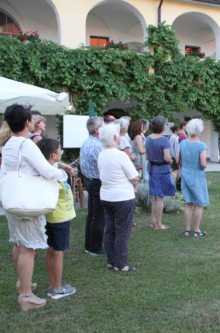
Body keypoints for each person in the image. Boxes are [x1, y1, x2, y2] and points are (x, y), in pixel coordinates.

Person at [1, 104, 69, 311]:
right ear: (27, 122)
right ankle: (26, 295)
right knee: (27, 249)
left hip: (12, 199)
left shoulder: (10, 143)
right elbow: (46, 170)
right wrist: (63, 174)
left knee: (19, 243)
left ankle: (24, 283)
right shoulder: (26, 144)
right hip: (27, 202)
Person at [37, 138, 77, 300]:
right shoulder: (56, 175)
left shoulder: (45, 168)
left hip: (50, 217)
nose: (62, 152)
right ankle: (57, 288)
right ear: (54, 155)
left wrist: (63, 165)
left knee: (51, 250)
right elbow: (59, 174)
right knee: (59, 253)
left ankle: (53, 284)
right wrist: (65, 171)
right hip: (59, 218)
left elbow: (53, 165)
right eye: (60, 150)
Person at [98, 123, 139, 272]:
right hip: (122, 197)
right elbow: (134, 176)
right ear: (116, 137)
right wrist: (135, 180)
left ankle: (111, 260)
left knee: (110, 229)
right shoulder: (120, 155)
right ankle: (121, 264)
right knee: (122, 230)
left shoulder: (102, 154)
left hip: (106, 196)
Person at [178, 119, 209, 237]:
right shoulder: (201, 145)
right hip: (197, 176)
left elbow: (178, 160)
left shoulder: (182, 143)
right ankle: (196, 230)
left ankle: (186, 230)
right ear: (200, 130)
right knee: (199, 203)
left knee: (188, 203)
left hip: (186, 175)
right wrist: (205, 165)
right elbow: (203, 163)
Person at [80, 116, 106, 256]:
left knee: (92, 214)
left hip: (90, 180)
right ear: (96, 130)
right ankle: (95, 247)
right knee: (98, 215)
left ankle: (89, 245)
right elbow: (104, 164)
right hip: (96, 182)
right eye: (103, 125)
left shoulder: (87, 142)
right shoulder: (96, 145)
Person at [145, 116, 176, 230]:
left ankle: (152, 221)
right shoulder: (164, 140)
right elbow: (167, 158)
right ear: (162, 126)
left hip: (152, 169)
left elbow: (147, 156)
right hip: (162, 171)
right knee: (160, 198)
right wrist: (171, 161)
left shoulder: (148, 138)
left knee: (154, 196)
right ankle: (158, 224)